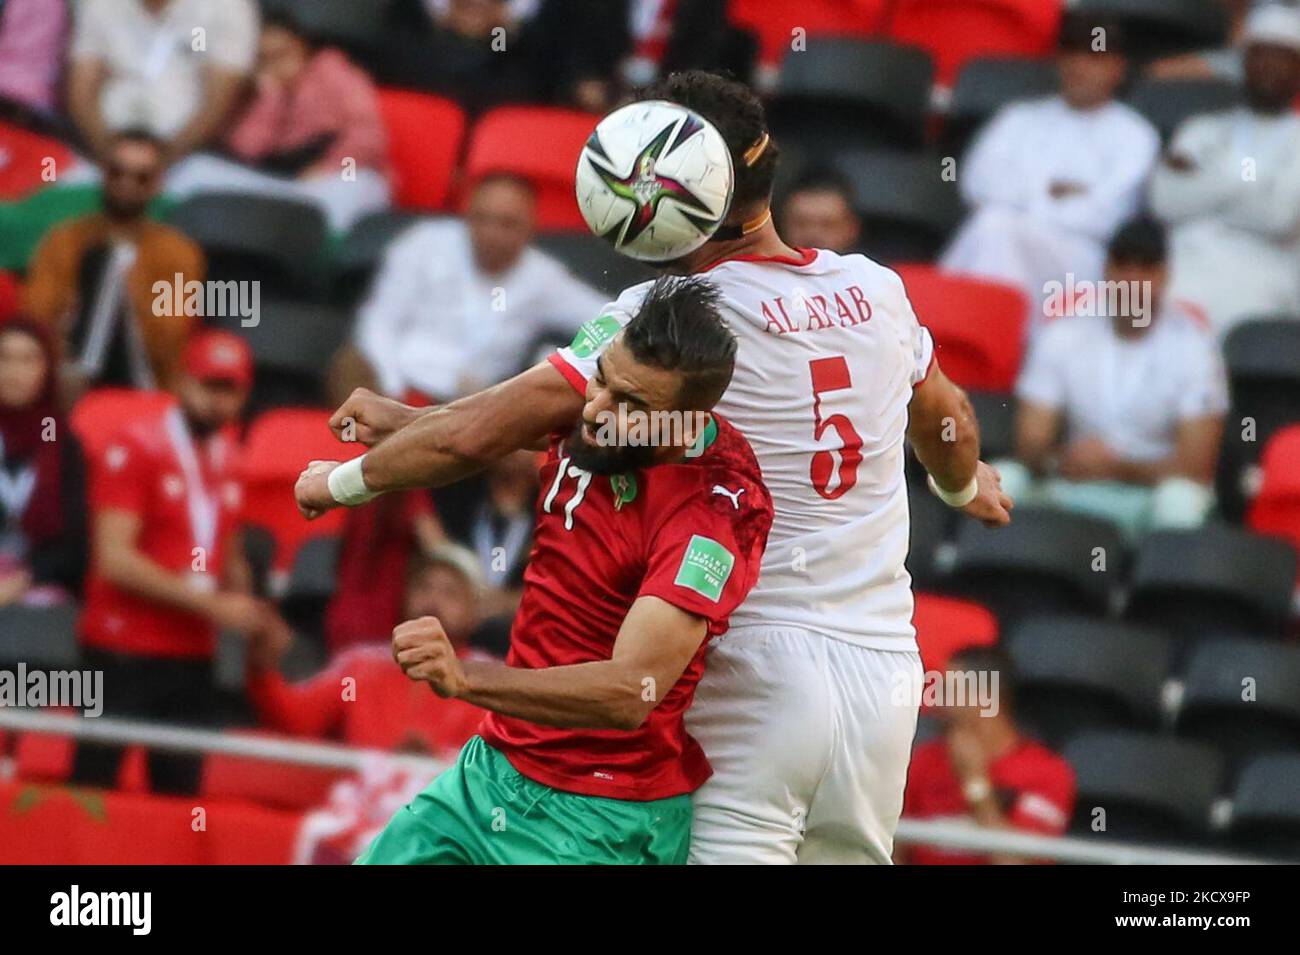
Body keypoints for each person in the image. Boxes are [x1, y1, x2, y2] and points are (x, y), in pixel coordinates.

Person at [297, 70, 1013, 865]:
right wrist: (959, 483)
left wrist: (343, 480)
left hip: (752, 671)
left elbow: (482, 433)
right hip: (883, 670)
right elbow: (949, 422)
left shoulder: (675, 325)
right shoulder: (875, 288)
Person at [340, 276, 773, 864]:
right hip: (492, 770)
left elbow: (631, 691)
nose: (594, 409)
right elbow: (502, 435)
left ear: (685, 425)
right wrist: (404, 422)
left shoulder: (710, 517)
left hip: (602, 818)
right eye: (601, 380)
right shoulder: (609, 419)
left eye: (630, 406)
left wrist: (465, 679)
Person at [71, 330, 289, 794]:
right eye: (208, 386)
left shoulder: (227, 455)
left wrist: (254, 617)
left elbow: (227, 550)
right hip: (122, 648)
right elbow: (113, 558)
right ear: (182, 381)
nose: (217, 401)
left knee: (179, 795)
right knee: (93, 791)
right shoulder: (134, 446)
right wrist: (211, 607)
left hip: (190, 653)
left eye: (229, 390)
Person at [996, 219, 1228, 539]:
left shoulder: (1195, 347)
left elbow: (1195, 467)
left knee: (1181, 502)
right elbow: (1030, 442)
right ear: (1106, 270)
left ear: (1164, 275)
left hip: (1146, 498)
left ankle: (1161, 589)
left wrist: (1119, 468)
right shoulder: (1065, 332)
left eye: (1145, 267)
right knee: (1005, 480)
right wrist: (1062, 460)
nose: (1132, 279)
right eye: (1123, 265)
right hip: (1070, 484)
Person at [940, 15, 1159, 333]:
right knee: (994, 226)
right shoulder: (1019, 117)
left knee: (995, 226)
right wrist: (1053, 192)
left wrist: (1024, 196)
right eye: (1073, 54)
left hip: (1082, 260)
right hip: (1007, 238)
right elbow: (977, 183)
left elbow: (1106, 216)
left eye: (1094, 58)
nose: (1080, 67)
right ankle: (986, 336)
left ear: (1118, 68)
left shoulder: (1135, 134)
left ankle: (970, 332)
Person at [335, 174, 606, 405]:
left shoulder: (544, 278)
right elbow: (379, 321)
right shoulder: (423, 243)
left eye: (506, 223)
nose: (490, 232)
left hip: (469, 406)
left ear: (530, 227)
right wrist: (392, 391)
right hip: (389, 381)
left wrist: (558, 357)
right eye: (481, 218)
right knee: (348, 364)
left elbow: (608, 318)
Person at [248, 543, 493, 754]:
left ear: (475, 611)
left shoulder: (490, 680)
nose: (433, 600)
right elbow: (300, 721)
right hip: (358, 802)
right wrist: (264, 667)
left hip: (449, 804)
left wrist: (437, 763)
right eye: (422, 587)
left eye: (450, 593)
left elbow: (502, 768)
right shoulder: (361, 665)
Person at [1149, 3, 1300, 338]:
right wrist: (1250, 186)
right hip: (1183, 262)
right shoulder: (1202, 128)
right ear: (1244, 62)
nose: (1269, 67)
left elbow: (1277, 216)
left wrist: (1204, 182)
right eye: (1260, 55)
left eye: (1282, 57)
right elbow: (1164, 200)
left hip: (1261, 275)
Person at [21, 129, 205, 402]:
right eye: (116, 172)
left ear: (158, 184)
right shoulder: (64, 239)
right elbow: (36, 320)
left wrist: (124, 284)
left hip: (144, 391)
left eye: (141, 177)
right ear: (102, 173)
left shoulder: (178, 253)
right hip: (65, 387)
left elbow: (169, 342)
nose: (126, 183)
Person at [166, 10, 391, 232]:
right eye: (265, 57)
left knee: (357, 186)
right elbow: (247, 150)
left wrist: (329, 168)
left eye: (282, 54)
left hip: (326, 178)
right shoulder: (256, 90)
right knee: (193, 171)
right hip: (274, 182)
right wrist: (271, 99)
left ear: (303, 48)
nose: (276, 63)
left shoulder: (333, 72)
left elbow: (368, 135)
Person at [900, 647, 1076, 865]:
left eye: (948, 691)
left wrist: (975, 783)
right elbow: (894, 851)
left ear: (987, 698)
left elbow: (1014, 862)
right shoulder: (923, 761)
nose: (936, 702)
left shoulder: (1047, 773)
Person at [66, 0, 259, 165]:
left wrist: (160, 162)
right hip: (100, 152)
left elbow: (218, 103)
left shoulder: (228, 6)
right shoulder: (99, 4)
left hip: (191, 158)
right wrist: (114, 160)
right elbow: (81, 90)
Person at [0, 319, 87, 608]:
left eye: (29, 360)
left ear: (47, 371)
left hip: (34, 584)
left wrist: (21, 581)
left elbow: (75, 546)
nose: (14, 372)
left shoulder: (59, 442)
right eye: (5, 358)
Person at [775, 166, 862, 254]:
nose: (812, 235)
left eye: (827, 225)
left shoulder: (869, 267)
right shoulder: (764, 267)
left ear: (852, 229)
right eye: (801, 224)